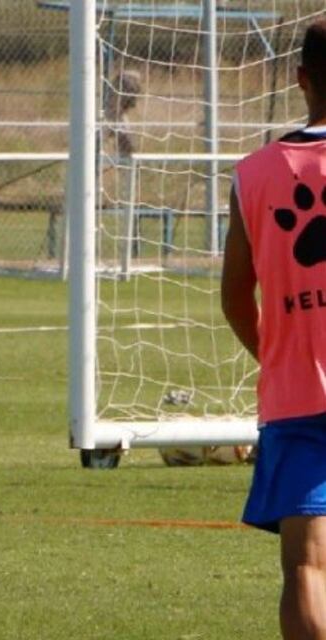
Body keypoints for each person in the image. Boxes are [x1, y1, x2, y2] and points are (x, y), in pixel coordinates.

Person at [221, 19, 326, 640]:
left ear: (300, 79)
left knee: (306, 564)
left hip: (295, 392)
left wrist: (276, 353)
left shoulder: (253, 172)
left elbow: (236, 294)